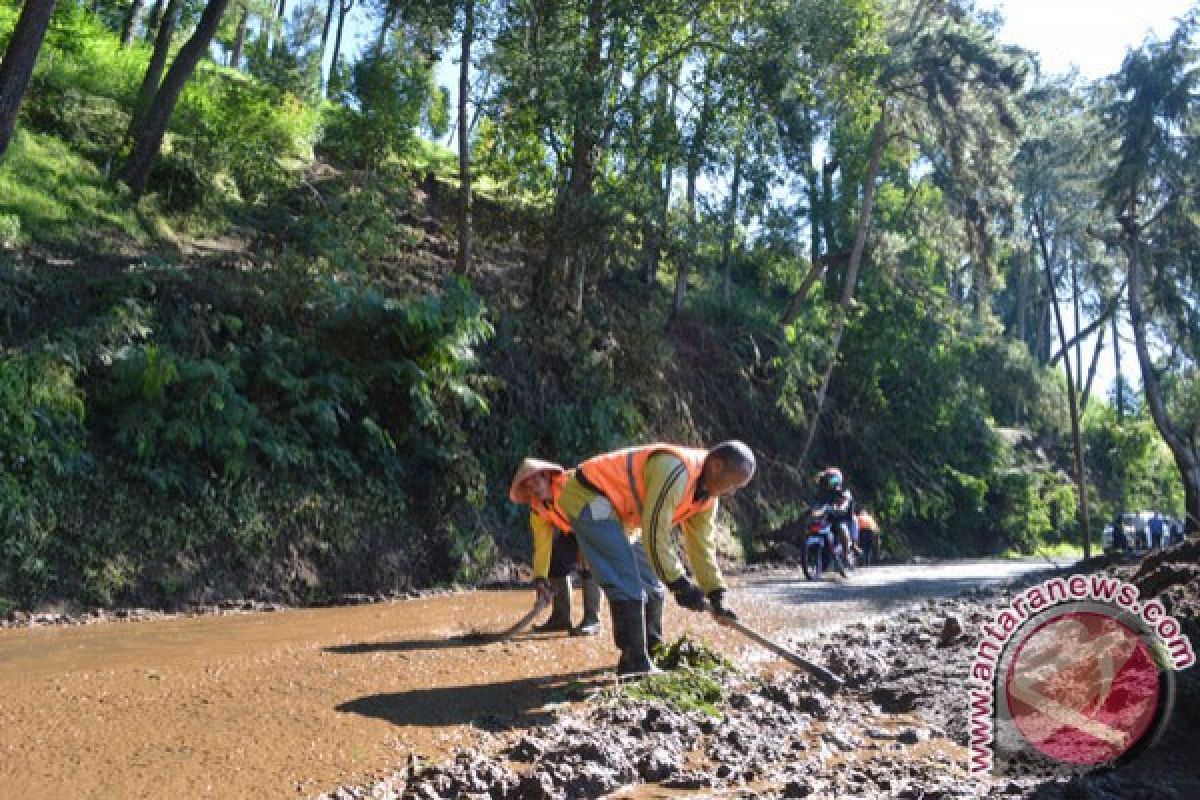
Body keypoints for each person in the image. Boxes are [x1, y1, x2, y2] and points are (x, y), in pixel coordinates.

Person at [557, 441, 756, 676]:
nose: (732, 492)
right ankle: (634, 663)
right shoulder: (675, 470)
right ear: (716, 466)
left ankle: (652, 651)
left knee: (652, 583)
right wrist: (680, 585)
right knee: (625, 579)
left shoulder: (708, 498)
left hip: (624, 515)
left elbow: (702, 546)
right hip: (590, 496)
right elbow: (655, 533)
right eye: (732, 483)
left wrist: (716, 594)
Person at [509, 458, 602, 637]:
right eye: (528, 487)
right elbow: (542, 545)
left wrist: (585, 543)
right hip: (574, 530)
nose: (533, 489)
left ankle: (592, 619)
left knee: (587, 561)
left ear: (546, 477)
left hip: (599, 523)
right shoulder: (537, 509)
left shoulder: (570, 485)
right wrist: (541, 579)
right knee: (554, 559)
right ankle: (560, 617)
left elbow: (594, 511)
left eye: (536, 481)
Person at [813, 467, 858, 561]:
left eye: (833, 479)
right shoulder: (822, 493)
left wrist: (838, 508)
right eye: (828, 479)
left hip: (840, 517)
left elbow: (845, 504)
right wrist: (815, 511)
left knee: (842, 528)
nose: (830, 482)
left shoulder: (844, 492)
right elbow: (816, 504)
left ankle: (846, 553)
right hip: (826, 518)